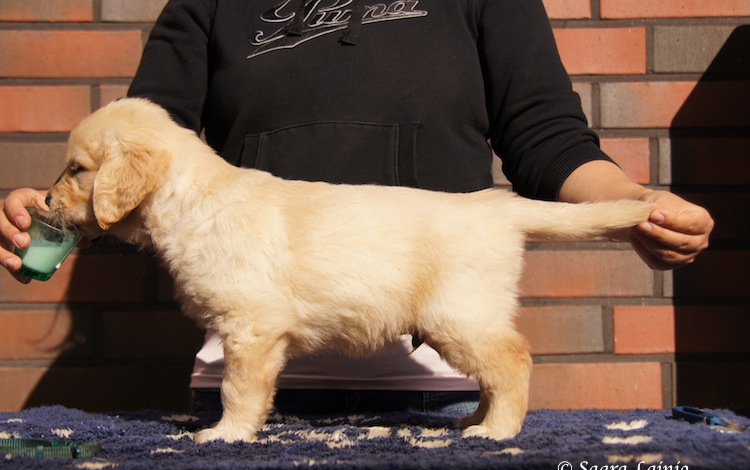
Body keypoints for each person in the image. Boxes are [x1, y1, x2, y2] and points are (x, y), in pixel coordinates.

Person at [1, 0, 713, 416]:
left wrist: (635, 206)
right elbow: (142, 151)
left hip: (438, 391)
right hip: (242, 386)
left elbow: (546, 136)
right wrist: (60, 213)